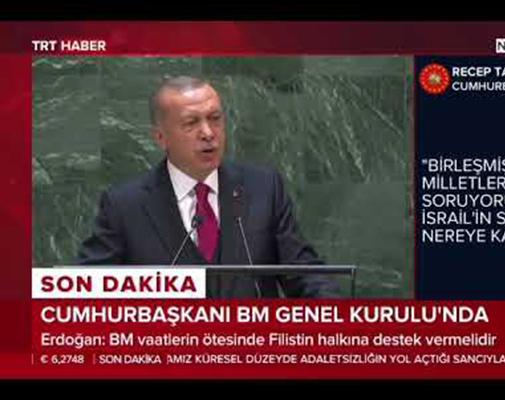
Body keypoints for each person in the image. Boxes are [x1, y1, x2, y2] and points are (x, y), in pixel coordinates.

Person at [77, 76, 339, 298]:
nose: (208, 133)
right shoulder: (125, 206)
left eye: (215, 118)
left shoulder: (263, 188)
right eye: (191, 123)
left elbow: (305, 273)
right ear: (161, 137)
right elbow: (88, 290)